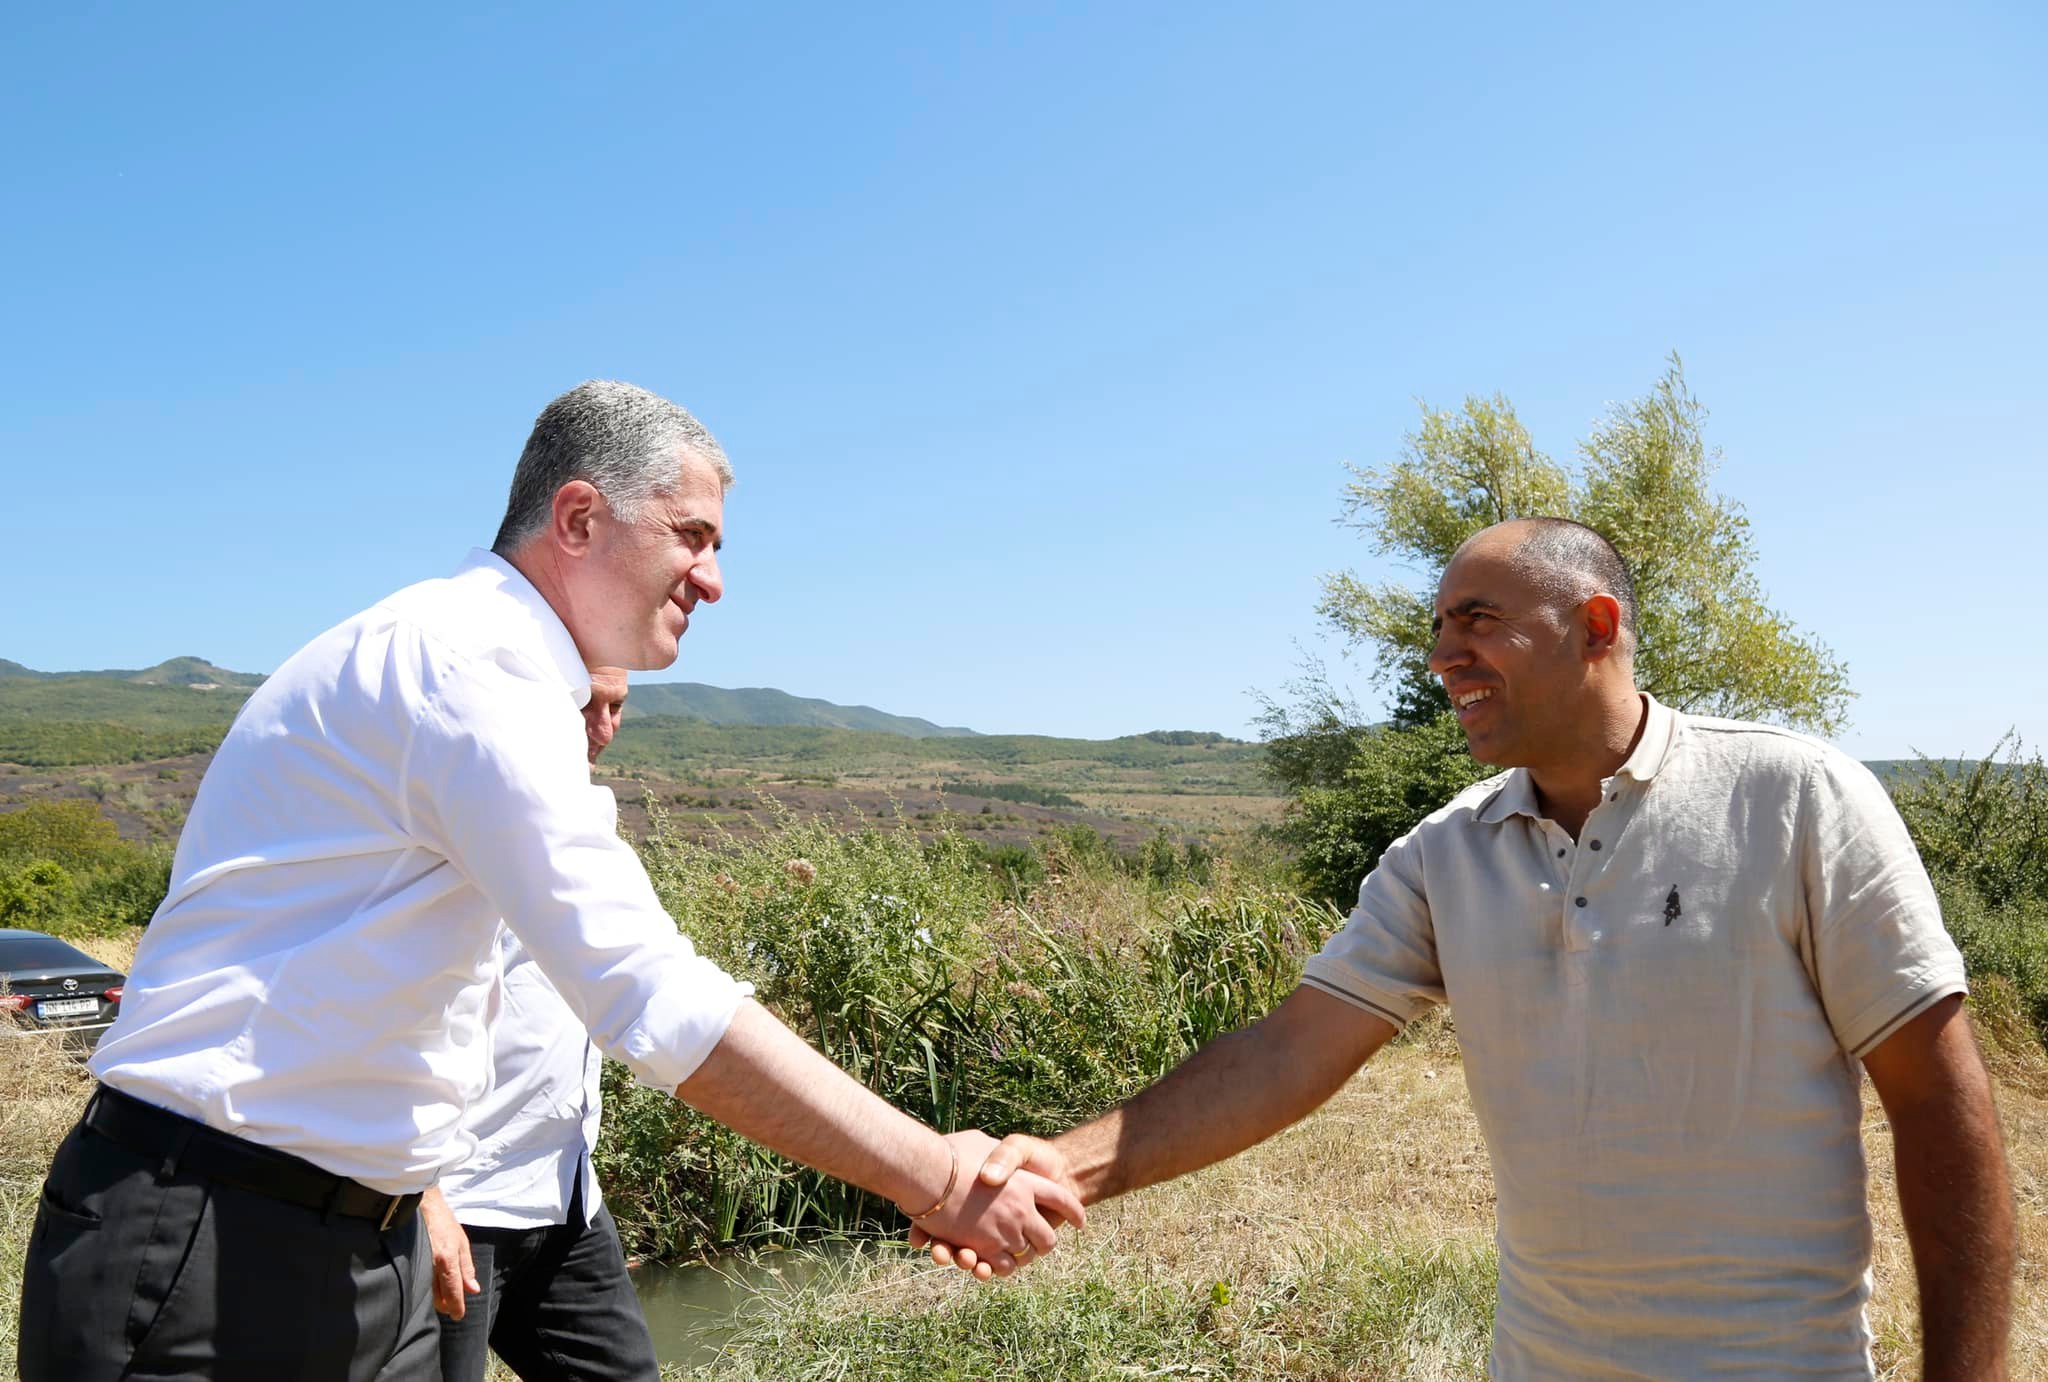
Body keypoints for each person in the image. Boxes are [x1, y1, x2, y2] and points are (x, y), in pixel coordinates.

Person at [19, 381, 1081, 1382]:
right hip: (216, 1235)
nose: (713, 578)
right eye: (692, 535)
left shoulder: (494, 671)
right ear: (578, 518)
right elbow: (647, 991)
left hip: (356, 1234)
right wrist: (938, 1176)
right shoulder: (469, 665)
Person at [948, 518, 2015, 1379]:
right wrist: (1063, 1163)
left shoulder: (1791, 798)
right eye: (1437, 626)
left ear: (1595, 624)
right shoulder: (1442, 855)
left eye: (1478, 619)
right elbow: (1287, 1050)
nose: (1440, 655)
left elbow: (1938, 1100)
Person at [423, 666, 661, 1382]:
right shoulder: (463, 823)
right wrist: (420, 1194)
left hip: (565, 1197)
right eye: (586, 704)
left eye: (617, 706)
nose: (603, 727)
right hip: (460, 1203)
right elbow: (384, 1017)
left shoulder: (588, 823)